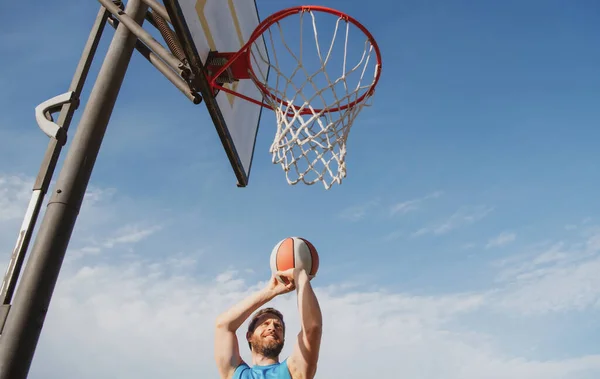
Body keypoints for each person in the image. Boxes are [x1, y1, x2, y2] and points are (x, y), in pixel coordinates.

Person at [214, 267, 323, 379]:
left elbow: (312, 328)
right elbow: (223, 325)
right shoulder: (236, 374)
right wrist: (270, 291)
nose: (272, 328)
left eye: (278, 326)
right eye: (265, 324)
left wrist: (301, 278)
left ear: (283, 340)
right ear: (249, 336)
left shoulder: (292, 371)